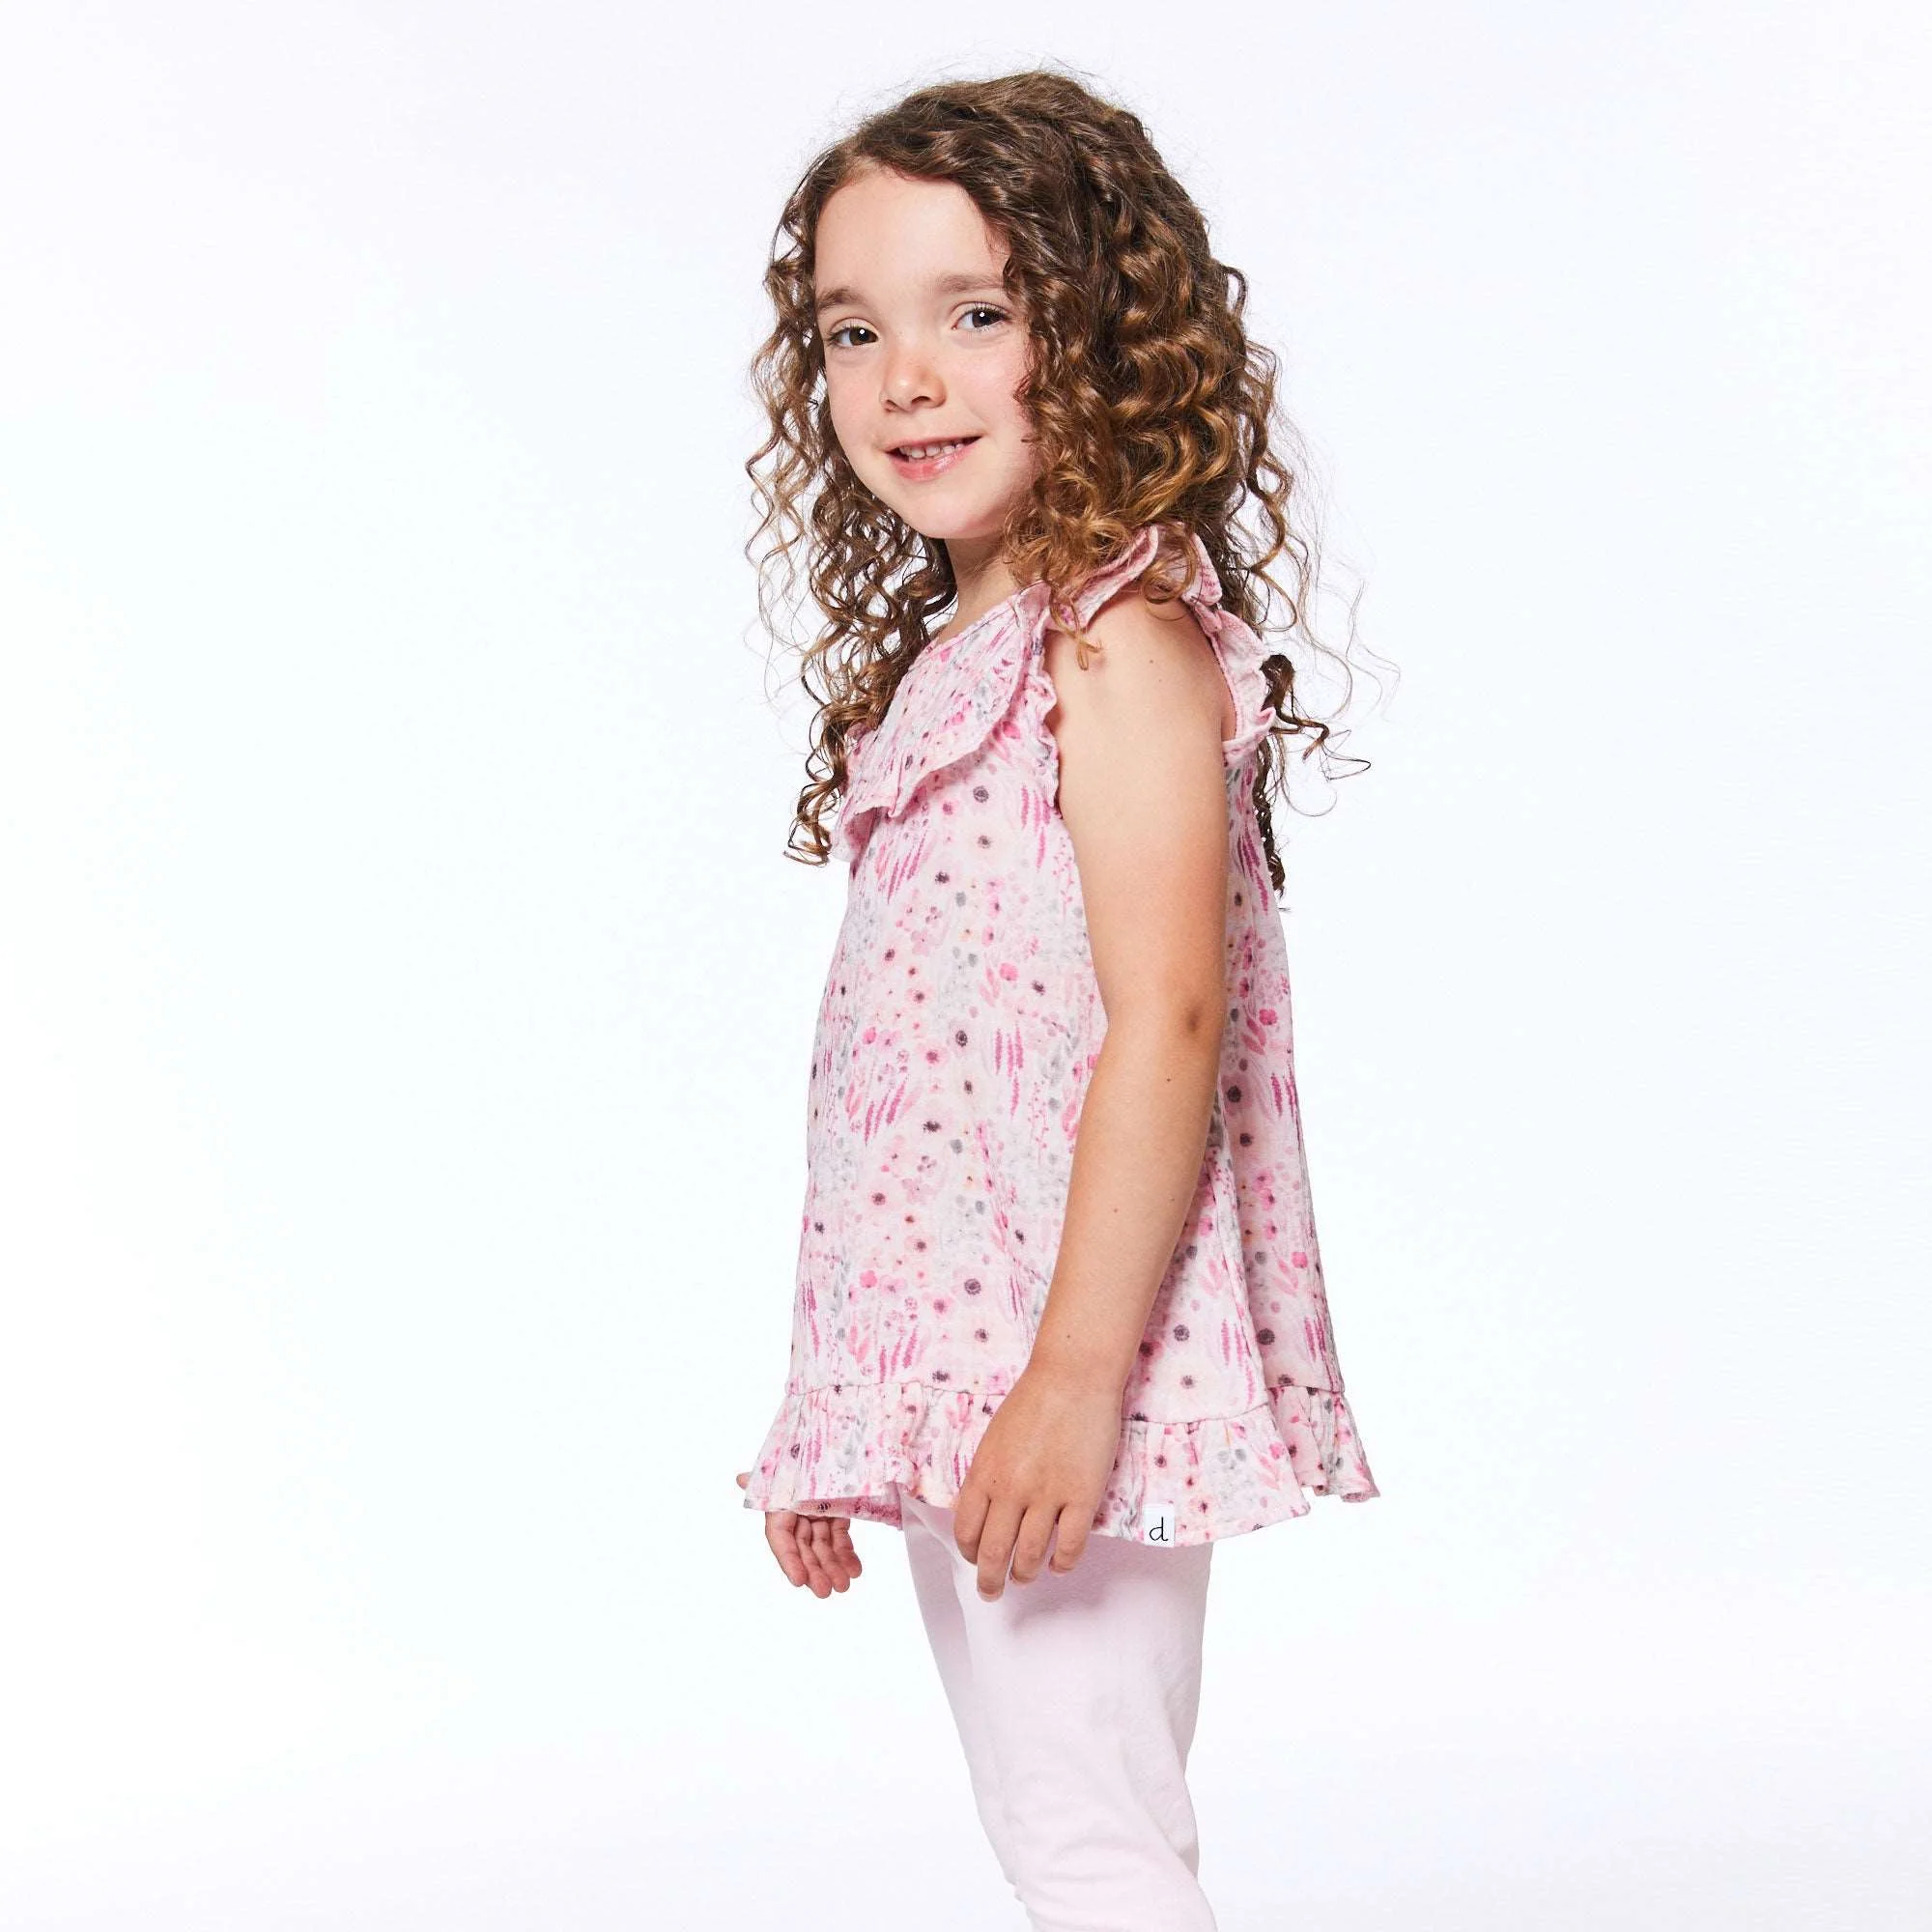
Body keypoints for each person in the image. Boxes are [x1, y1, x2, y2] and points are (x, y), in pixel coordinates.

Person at [731, 66, 1384, 1932]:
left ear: (1098, 333)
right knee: (1056, 1827)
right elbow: (924, 1088)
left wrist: (1077, 1383)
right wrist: (840, 1408)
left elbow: (1169, 1019)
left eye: (976, 314)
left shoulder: (1116, 641)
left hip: (1073, 1365)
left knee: (1089, 1841)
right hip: (971, 1366)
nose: (905, 380)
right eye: (854, 330)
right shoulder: (975, 652)